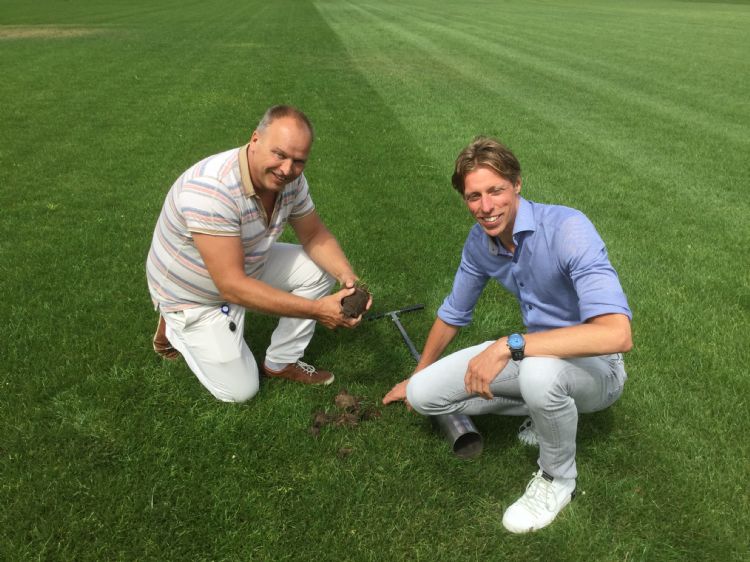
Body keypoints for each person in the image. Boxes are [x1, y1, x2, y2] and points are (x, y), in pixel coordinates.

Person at [383, 136, 632, 533]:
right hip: (536, 355)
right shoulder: (480, 243)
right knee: (424, 396)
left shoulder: (568, 228)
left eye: (496, 190)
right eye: (473, 196)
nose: (486, 207)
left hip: (598, 369)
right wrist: (417, 373)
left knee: (538, 374)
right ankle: (543, 410)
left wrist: (509, 345)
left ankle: (557, 478)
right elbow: (453, 313)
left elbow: (617, 334)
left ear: (517, 184)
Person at [147, 105, 370, 403]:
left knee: (322, 268)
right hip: (195, 294)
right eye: (279, 154)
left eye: (298, 161)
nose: (287, 169)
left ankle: (281, 362)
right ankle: (173, 323)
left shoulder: (290, 182)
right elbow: (231, 285)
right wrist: (317, 310)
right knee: (241, 391)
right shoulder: (211, 190)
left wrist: (348, 278)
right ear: (255, 140)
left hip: (243, 263)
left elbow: (314, 234)